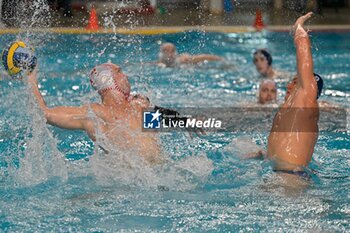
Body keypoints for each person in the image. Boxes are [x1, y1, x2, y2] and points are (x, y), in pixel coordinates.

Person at [28, 63, 163, 164]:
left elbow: (179, 122)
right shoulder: (95, 114)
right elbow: (45, 113)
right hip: (130, 184)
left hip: (163, 173)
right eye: (119, 72)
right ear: (107, 79)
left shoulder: (141, 105)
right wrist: (31, 78)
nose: (125, 75)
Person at [267, 12, 324, 177]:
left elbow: (303, 51)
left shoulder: (306, 95)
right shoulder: (291, 110)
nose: (288, 85)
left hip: (291, 179)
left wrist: (298, 26)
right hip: (280, 174)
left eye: (294, 81)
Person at [158, 42, 223, 67]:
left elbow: (204, 57)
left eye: (172, 51)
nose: (169, 53)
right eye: (166, 51)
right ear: (162, 53)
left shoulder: (182, 59)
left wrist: (221, 59)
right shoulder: (160, 63)